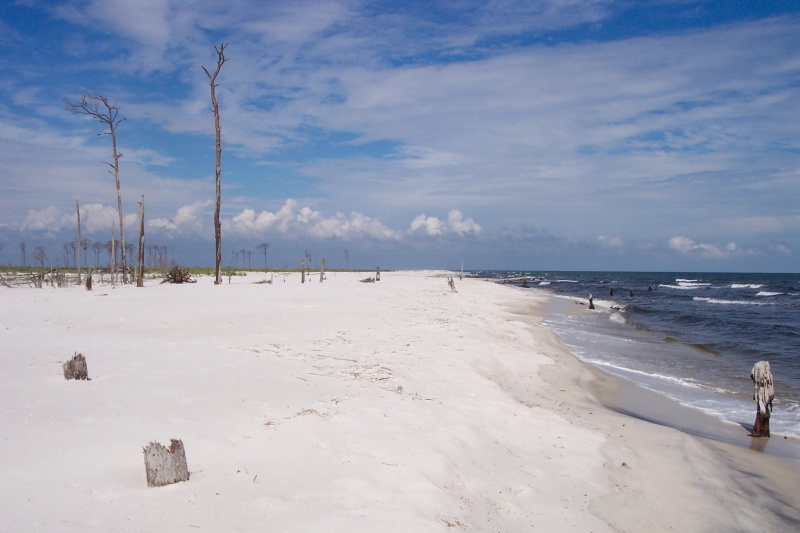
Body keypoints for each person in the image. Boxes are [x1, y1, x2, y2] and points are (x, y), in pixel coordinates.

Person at [749, 361, 775, 437]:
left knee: (761, 409)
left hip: (762, 393)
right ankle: (765, 431)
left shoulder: (759, 372)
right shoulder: (768, 376)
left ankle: (758, 430)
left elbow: (752, 376)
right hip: (766, 393)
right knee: (764, 408)